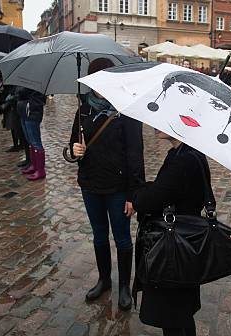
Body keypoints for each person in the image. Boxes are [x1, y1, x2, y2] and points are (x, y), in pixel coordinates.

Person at [133, 130, 209, 336]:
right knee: (184, 306)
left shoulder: (182, 160)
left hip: (174, 249)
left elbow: (156, 197)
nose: (155, 124)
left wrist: (136, 198)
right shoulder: (191, 153)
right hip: (187, 245)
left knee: (172, 316)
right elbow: (168, 189)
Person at [70, 58, 145, 311]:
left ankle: (124, 286)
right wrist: (73, 150)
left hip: (118, 187)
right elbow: (70, 149)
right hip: (90, 185)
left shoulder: (127, 111)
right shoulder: (83, 110)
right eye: (96, 78)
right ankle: (104, 280)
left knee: (122, 238)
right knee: (99, 235)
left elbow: (136, 155)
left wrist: (134, 195)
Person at [17, 87, 47, 180]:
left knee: (35, 142)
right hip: (24, 112)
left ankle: (40, 170)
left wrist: (19, 90)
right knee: (30, 141)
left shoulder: (35, 83)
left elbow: (21, 91)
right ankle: (34, 165)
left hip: (32, 113)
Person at [0, 74, 25, 152]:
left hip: (13, 106)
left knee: (15, 126)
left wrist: (6, 103)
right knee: (13, 126)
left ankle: (20, 145)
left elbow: (14, 94)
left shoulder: (13, 81)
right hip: (9, 106)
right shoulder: (4, 80)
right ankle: (17, 144)